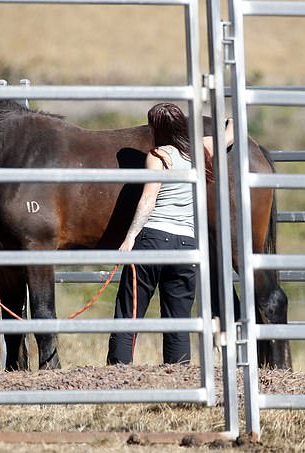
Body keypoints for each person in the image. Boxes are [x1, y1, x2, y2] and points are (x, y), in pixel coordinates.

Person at [107, 102, 199, 365]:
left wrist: (129, 238)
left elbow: (148, 199)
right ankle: (180, 381)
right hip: (186, 245)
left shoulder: (158, 157)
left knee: (129, 313)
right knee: (178, 320)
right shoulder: (198, 154)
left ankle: (117, 374)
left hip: (154, 240)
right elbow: (225, 134)